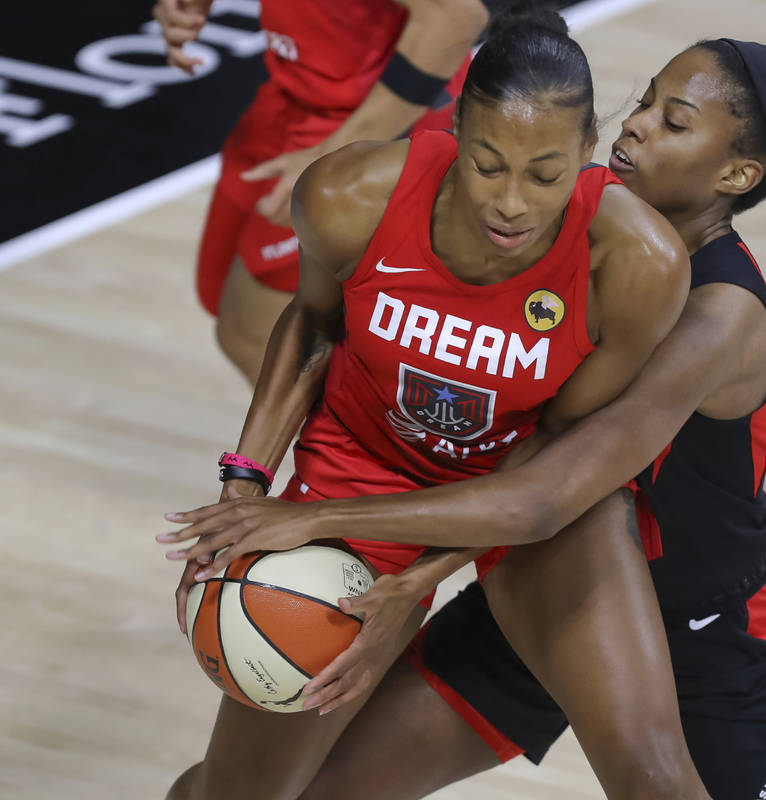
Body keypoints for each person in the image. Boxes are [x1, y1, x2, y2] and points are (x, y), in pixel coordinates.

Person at [163, 38, 766, 799]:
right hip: (540, 581)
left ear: (739, 172)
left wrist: (354, 540)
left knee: (655, 785)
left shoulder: (718, 315)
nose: (637, 124)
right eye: (643, 101)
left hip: (698, 629)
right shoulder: (555, 231)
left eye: (674, 121)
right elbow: (503, 453)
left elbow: (545, 488)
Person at [161, 9, 713, 800]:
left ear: (589, 154)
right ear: (453, 128)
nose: (513, 203)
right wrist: (244, 488)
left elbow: (555, 453)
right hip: (364, 467)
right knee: (238, 794)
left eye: (546, 175)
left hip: (529, 492)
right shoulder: (350, 193)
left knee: (654, 776)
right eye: (488, 165)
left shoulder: (636, 263)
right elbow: (314, 326)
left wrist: (419, 579)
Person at [153, 0, 491, 381]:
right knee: (220, 295)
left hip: (378, 122)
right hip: (294, 94)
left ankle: (348, 438)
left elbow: (457, 15)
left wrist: (332, 157)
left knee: (254, 336)